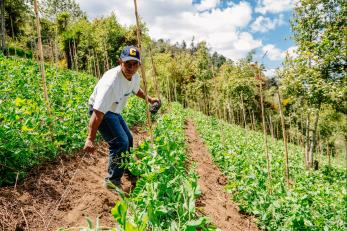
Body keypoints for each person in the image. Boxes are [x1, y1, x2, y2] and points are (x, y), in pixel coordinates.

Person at [83, 45, 158, 190]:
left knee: (129, 139)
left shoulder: (134, 76)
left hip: (114, 110)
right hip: (101, 111)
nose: (131, 67)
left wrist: (149, 99)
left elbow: (135, 90)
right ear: (120, 62)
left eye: (134, 64)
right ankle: (112, 181)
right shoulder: (111, 83)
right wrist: (90, 139)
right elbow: (97, 113)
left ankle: (126, 169)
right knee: (120, 143)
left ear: (138, 65)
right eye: (127, 64)